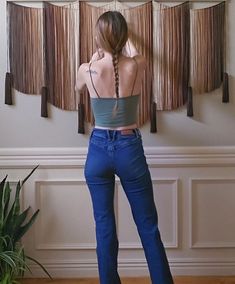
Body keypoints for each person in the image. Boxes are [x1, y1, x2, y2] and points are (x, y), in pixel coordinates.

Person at [76, 11, 174, 284]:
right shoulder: (136, 64)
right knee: (148, 226)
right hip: (129, 148)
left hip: (97, 150)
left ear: (98, 37)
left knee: (104, 226)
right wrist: (125, 40)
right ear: (122, 36)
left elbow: (77, 87)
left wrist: (95, 57)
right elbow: (135, 51)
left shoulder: (87, 69)